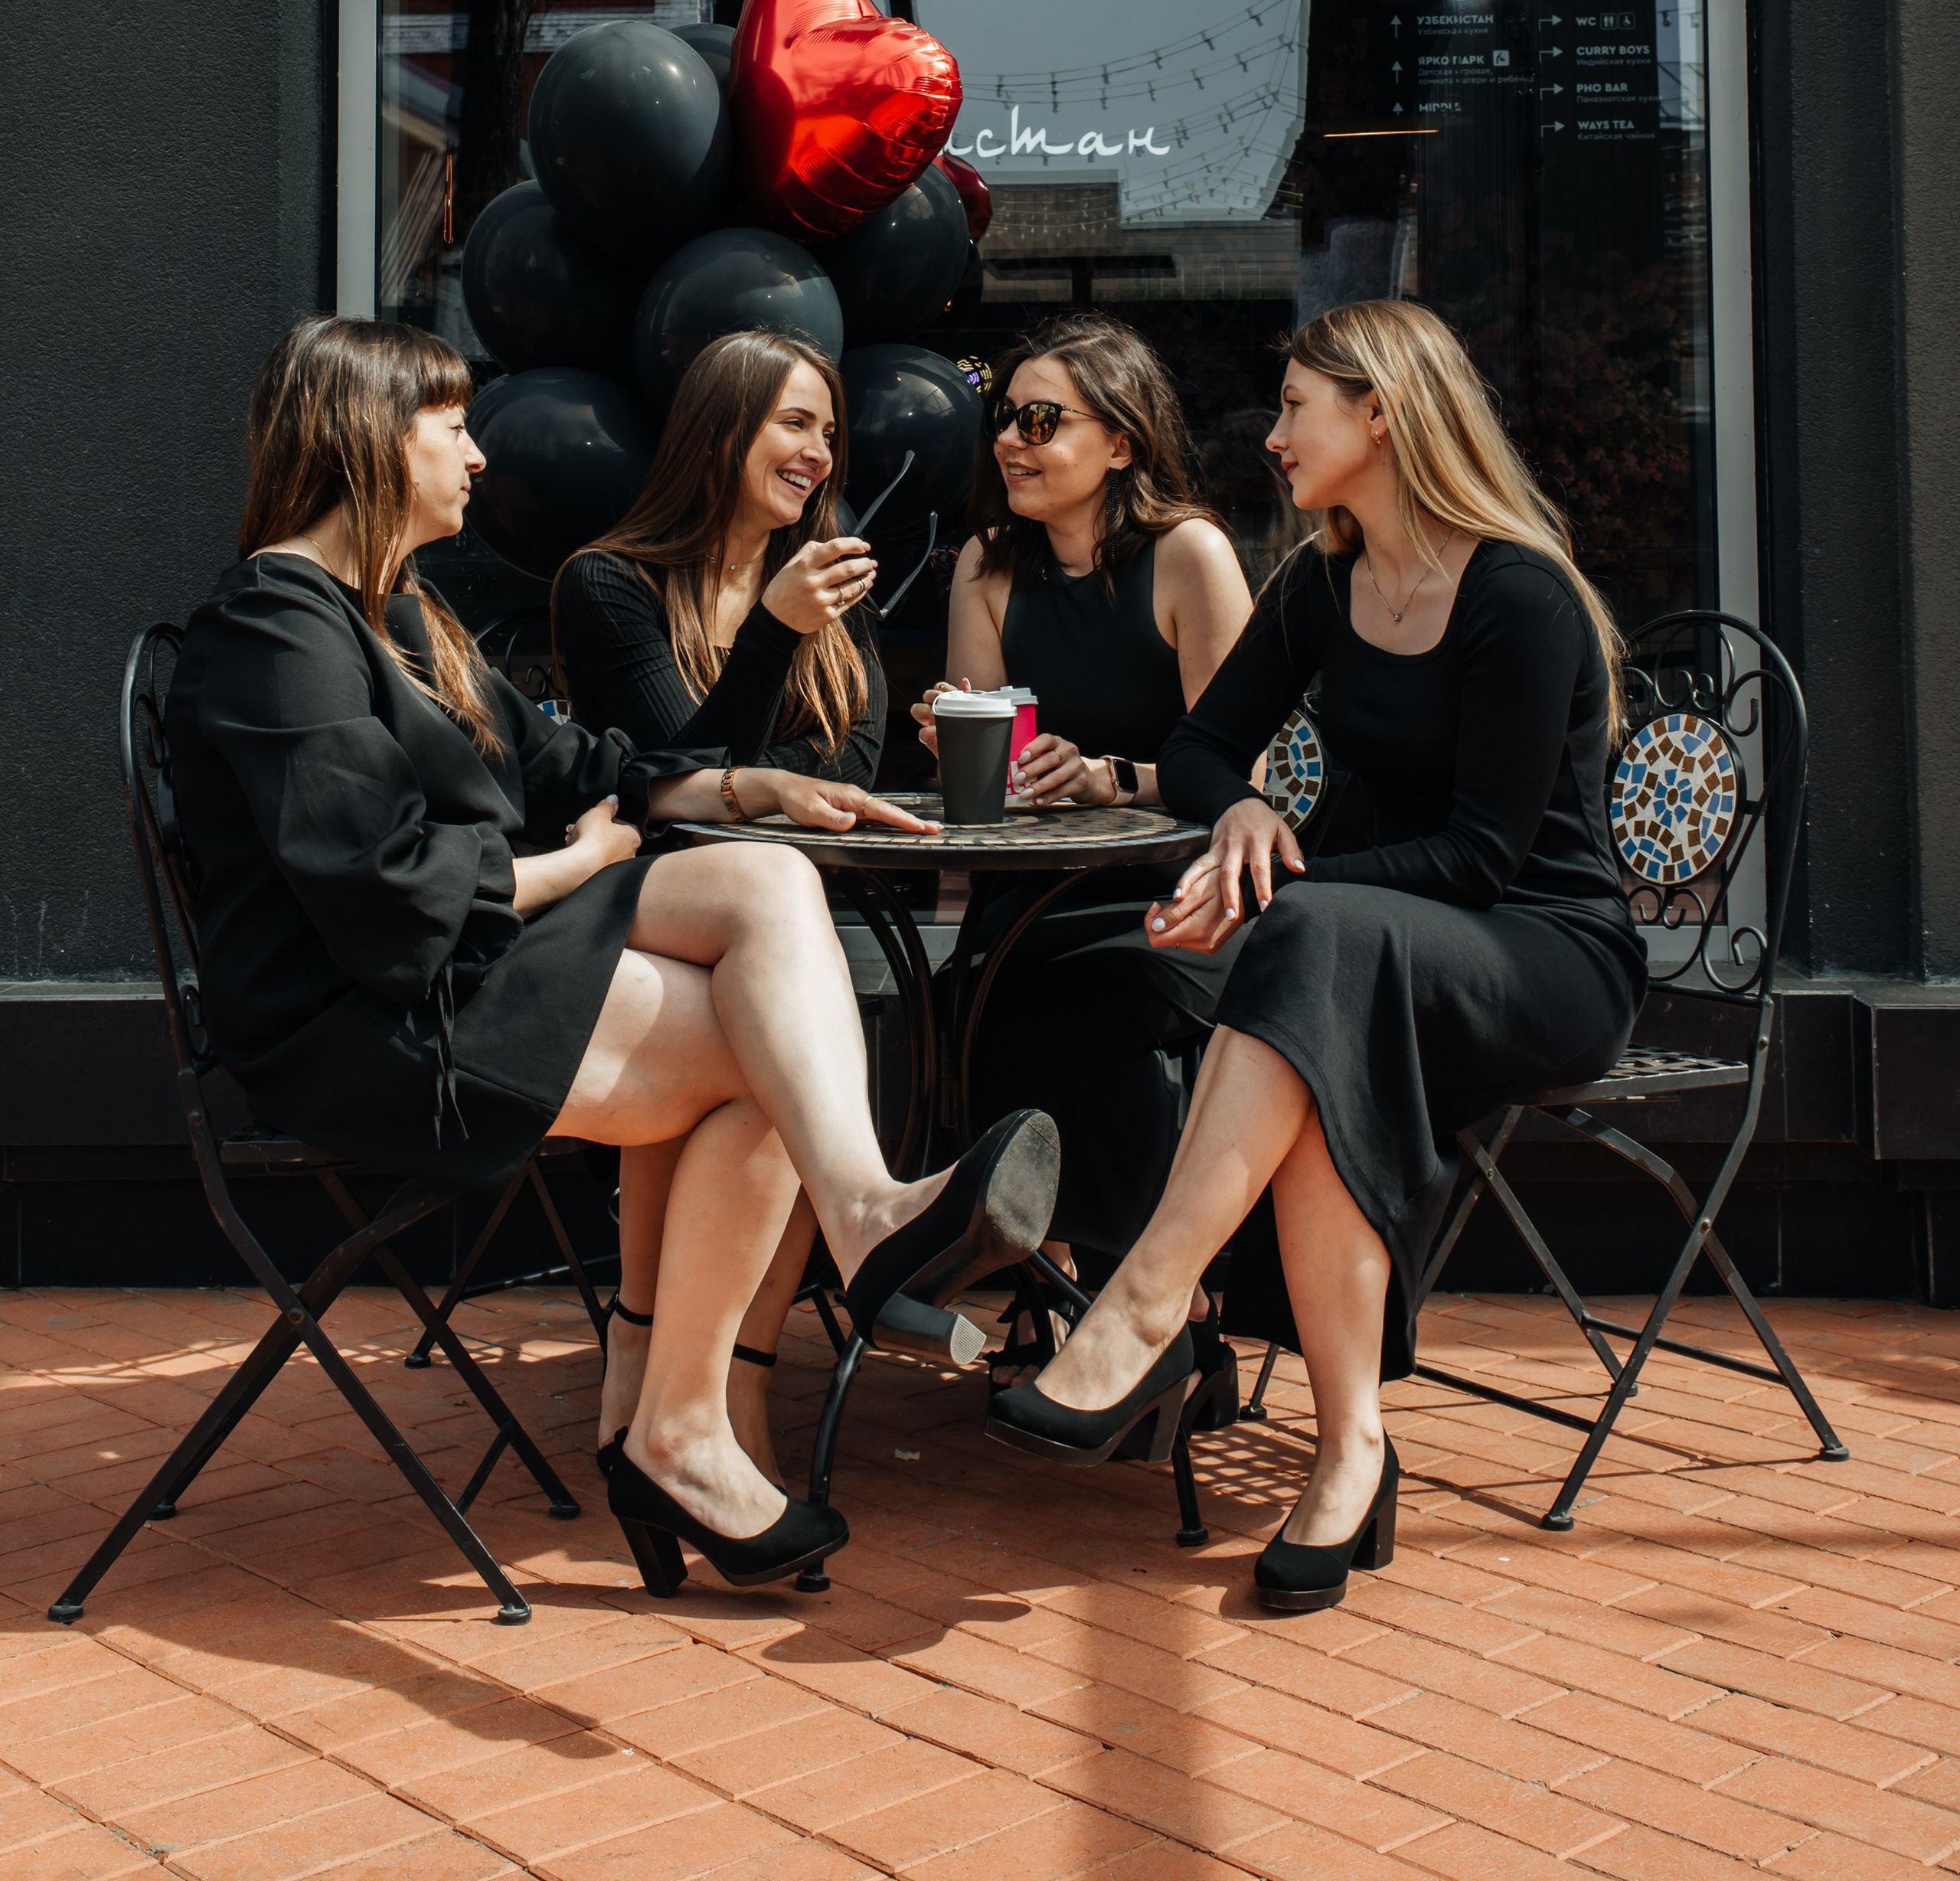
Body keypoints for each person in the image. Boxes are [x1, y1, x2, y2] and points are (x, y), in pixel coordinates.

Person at [166, 315, 1060, 1598]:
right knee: (772, 1042)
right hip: (368, 1024)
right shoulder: (275, 627)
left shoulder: (398, 619)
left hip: (451, 981)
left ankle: (771, 1314)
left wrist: (751, 785)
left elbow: (583, 768)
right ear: (368, 439)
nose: (479, 458)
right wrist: (580, 868)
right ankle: (694, 1407)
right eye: (452, 428)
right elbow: (386, 893)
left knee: (768, 923)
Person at [987, 299, 1644, 1618]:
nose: (1271, 432)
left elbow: (1479, 859)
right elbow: (1199, 746)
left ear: (1382, 412)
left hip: (1544, 955)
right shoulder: (1324, 580)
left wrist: (1275, 892)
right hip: (1363, 948)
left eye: (1294, 405)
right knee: (1277, 1007)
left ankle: (1147, 1299)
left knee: (1308, 946)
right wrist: (1240, 811)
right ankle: (1350, 1449)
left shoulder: (1519, 595)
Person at [552, 329, 887, 1481]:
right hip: (650, 905)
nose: (818, 450)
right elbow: (668, 781)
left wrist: (785, 664)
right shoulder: (609, 583)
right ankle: (680, 1376)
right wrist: (774, 635)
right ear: (725, 423)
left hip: (806, 916)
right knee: (763, 1042)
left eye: (829, 430)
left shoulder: (827, 577)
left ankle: (718, 1385)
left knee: (788, 1046)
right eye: (796, 420)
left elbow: (854, 763)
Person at [912, 315, 1251, 1364]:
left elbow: (1249, 778)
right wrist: (956, 746)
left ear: (1121, 441)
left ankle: (1145, 1295)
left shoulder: (1188, 555)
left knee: (1096, 1003)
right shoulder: (988, 564)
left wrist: (1116, 778)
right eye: (1004, 416)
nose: (1012, 438)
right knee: (971, 997)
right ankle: (1049, 1273)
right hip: (1038, 893)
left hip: (1182, 893)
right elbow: (989, 771)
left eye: (1042, 418)